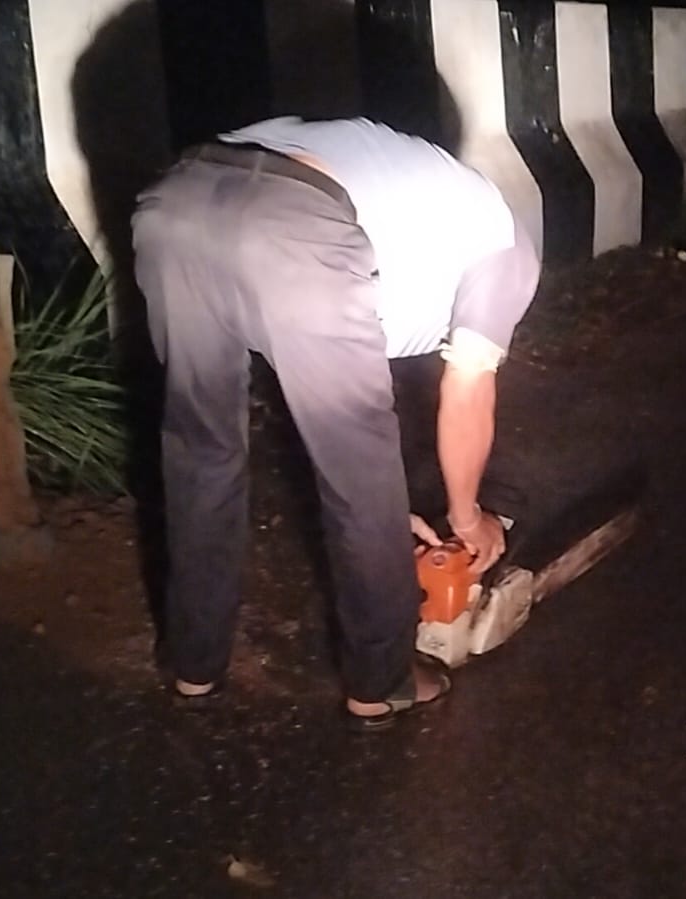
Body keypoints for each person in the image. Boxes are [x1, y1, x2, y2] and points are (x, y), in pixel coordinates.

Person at [131, 117, 540, 730]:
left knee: (203, 450)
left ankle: (194, 663)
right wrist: (464, 516)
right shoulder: (508, 252)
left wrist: (385, 516)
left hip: (177, 201)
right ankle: (381, 682)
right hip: (294, 219)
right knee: (360, 475)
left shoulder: (425, 212)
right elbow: (467, 391)